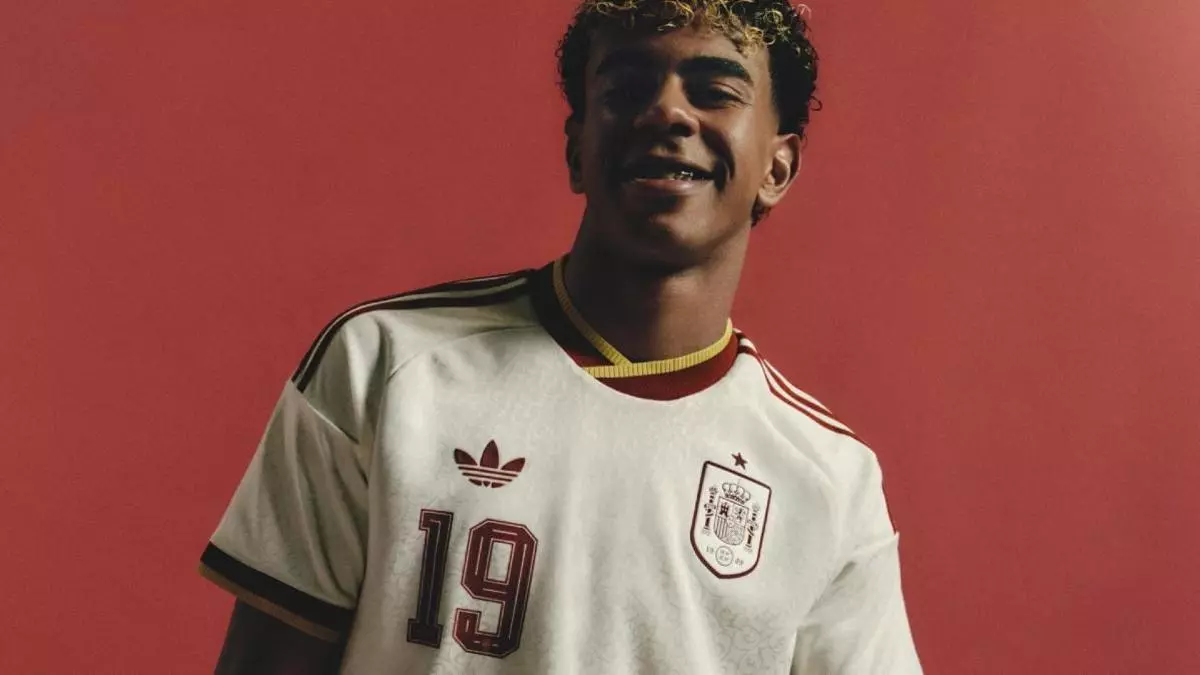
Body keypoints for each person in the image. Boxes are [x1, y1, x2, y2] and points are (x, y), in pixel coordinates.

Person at [199, 1, 923, 673]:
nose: (668, 110)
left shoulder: (831, 481)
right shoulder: (383, 365)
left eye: (714, 92)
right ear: (578, 149)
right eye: (628, 88)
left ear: (777, 166)